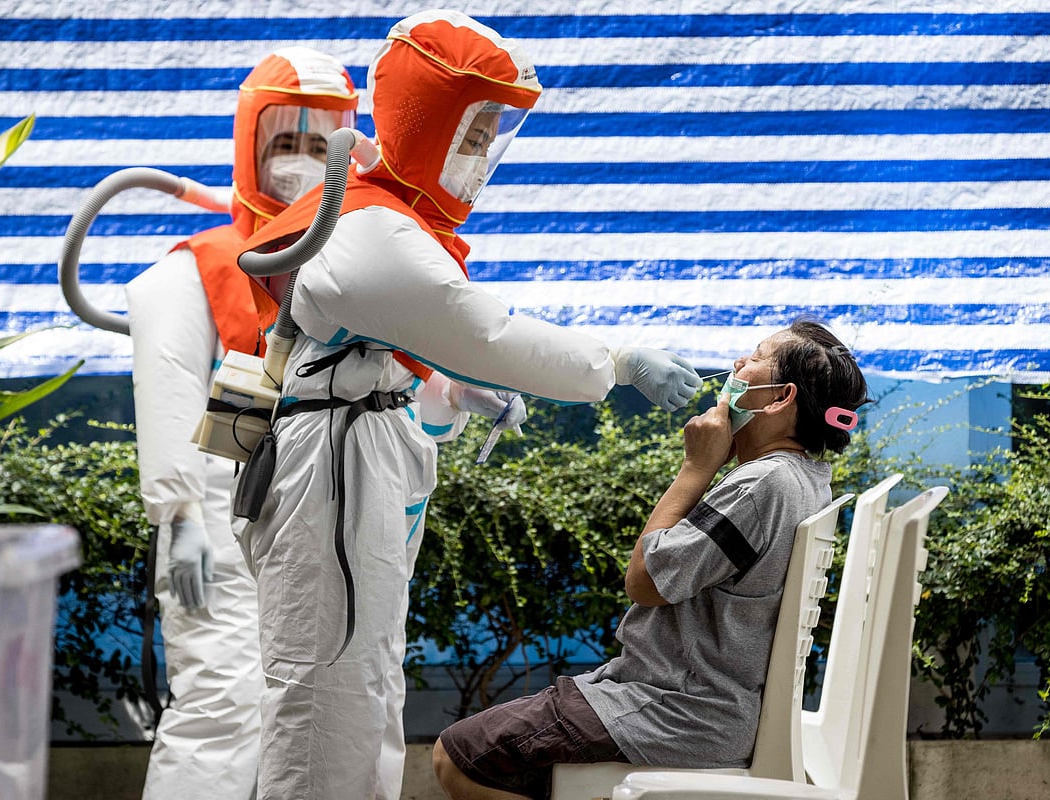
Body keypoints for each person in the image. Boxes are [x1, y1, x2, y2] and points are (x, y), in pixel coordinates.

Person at [233, 10, 704, 800]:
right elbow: (484, 330)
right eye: (474, 132)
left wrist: (446, 386)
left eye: (491, 136)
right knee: (325, 705)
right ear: (428, 120)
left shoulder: (384, 220)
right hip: (332, 478)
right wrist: (617, 362)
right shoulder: (373, 231)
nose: (483, 157)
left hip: (350, 464)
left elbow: (400, 337)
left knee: (365, 686)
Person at [431, 319, 872, 800]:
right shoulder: (806, 478)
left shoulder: (762, 484)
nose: (736, 365)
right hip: (702, 702)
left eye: (754, 357)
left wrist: (696, 467)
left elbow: (643, 581)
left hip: (675, 708)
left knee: (458, 757)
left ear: (780, 397)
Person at [123, 46, 358, 800]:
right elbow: (165, 396)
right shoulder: (190, 270)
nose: (300, 160)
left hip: (324, 518)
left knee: (329, 709)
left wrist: (461, 395)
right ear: (249, 143)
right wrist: (180, 516)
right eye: (284, 141)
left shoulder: (356, 267)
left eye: (320, 144)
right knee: (221, 705)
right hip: (220, 519)